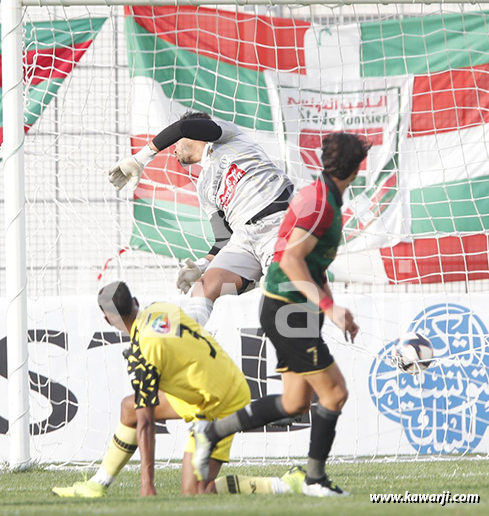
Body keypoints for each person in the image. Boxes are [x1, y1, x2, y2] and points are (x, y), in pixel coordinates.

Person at [190, 133, 370, 497]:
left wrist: (330, 304)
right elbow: (290, 260)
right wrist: (330, 308)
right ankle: (315, 481)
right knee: (334, 394)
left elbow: (311, 264)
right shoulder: (320, 202)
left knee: (295, 403)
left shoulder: (320, 196)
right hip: (289, 309)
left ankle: (212, 431)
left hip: (292, 306)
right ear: (357, 168)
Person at [52, 281, 303, 498]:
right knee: (130, 408)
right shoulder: (161, 309)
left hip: (218, 403)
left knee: (195, 491)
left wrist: (147, 484)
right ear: (136, 302)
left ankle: (285, 485)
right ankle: (98, 484)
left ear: (108, 319)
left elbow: (147, 422)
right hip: (215, 384)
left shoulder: (143, 353)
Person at [108, 112, 294, 326]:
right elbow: (223, 240)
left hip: (277, 225)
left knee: (280, 300)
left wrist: (140, 159)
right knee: (204, 287)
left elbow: (182, 128)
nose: (173, 150)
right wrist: (201, 266)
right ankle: (187, 343)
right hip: (243, 241)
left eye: (174, 144)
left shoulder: (231, 137)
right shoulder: (203, 186)